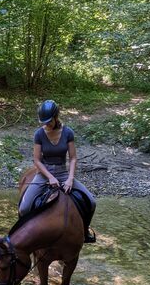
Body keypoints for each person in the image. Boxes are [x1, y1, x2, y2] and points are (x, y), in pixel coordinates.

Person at [19, 99, 96, 243]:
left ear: (56, 117)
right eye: (44, 122)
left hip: (63, 172)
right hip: (44, 174)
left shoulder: (68, 132)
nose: (46, 125)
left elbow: (73, 158)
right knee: (24, 208)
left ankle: (85, 231)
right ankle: (24, 235)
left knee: (91, 202)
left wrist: (70, 179)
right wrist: (49, 177)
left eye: (49, 121)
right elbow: (36, 160)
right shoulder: (39, 134)